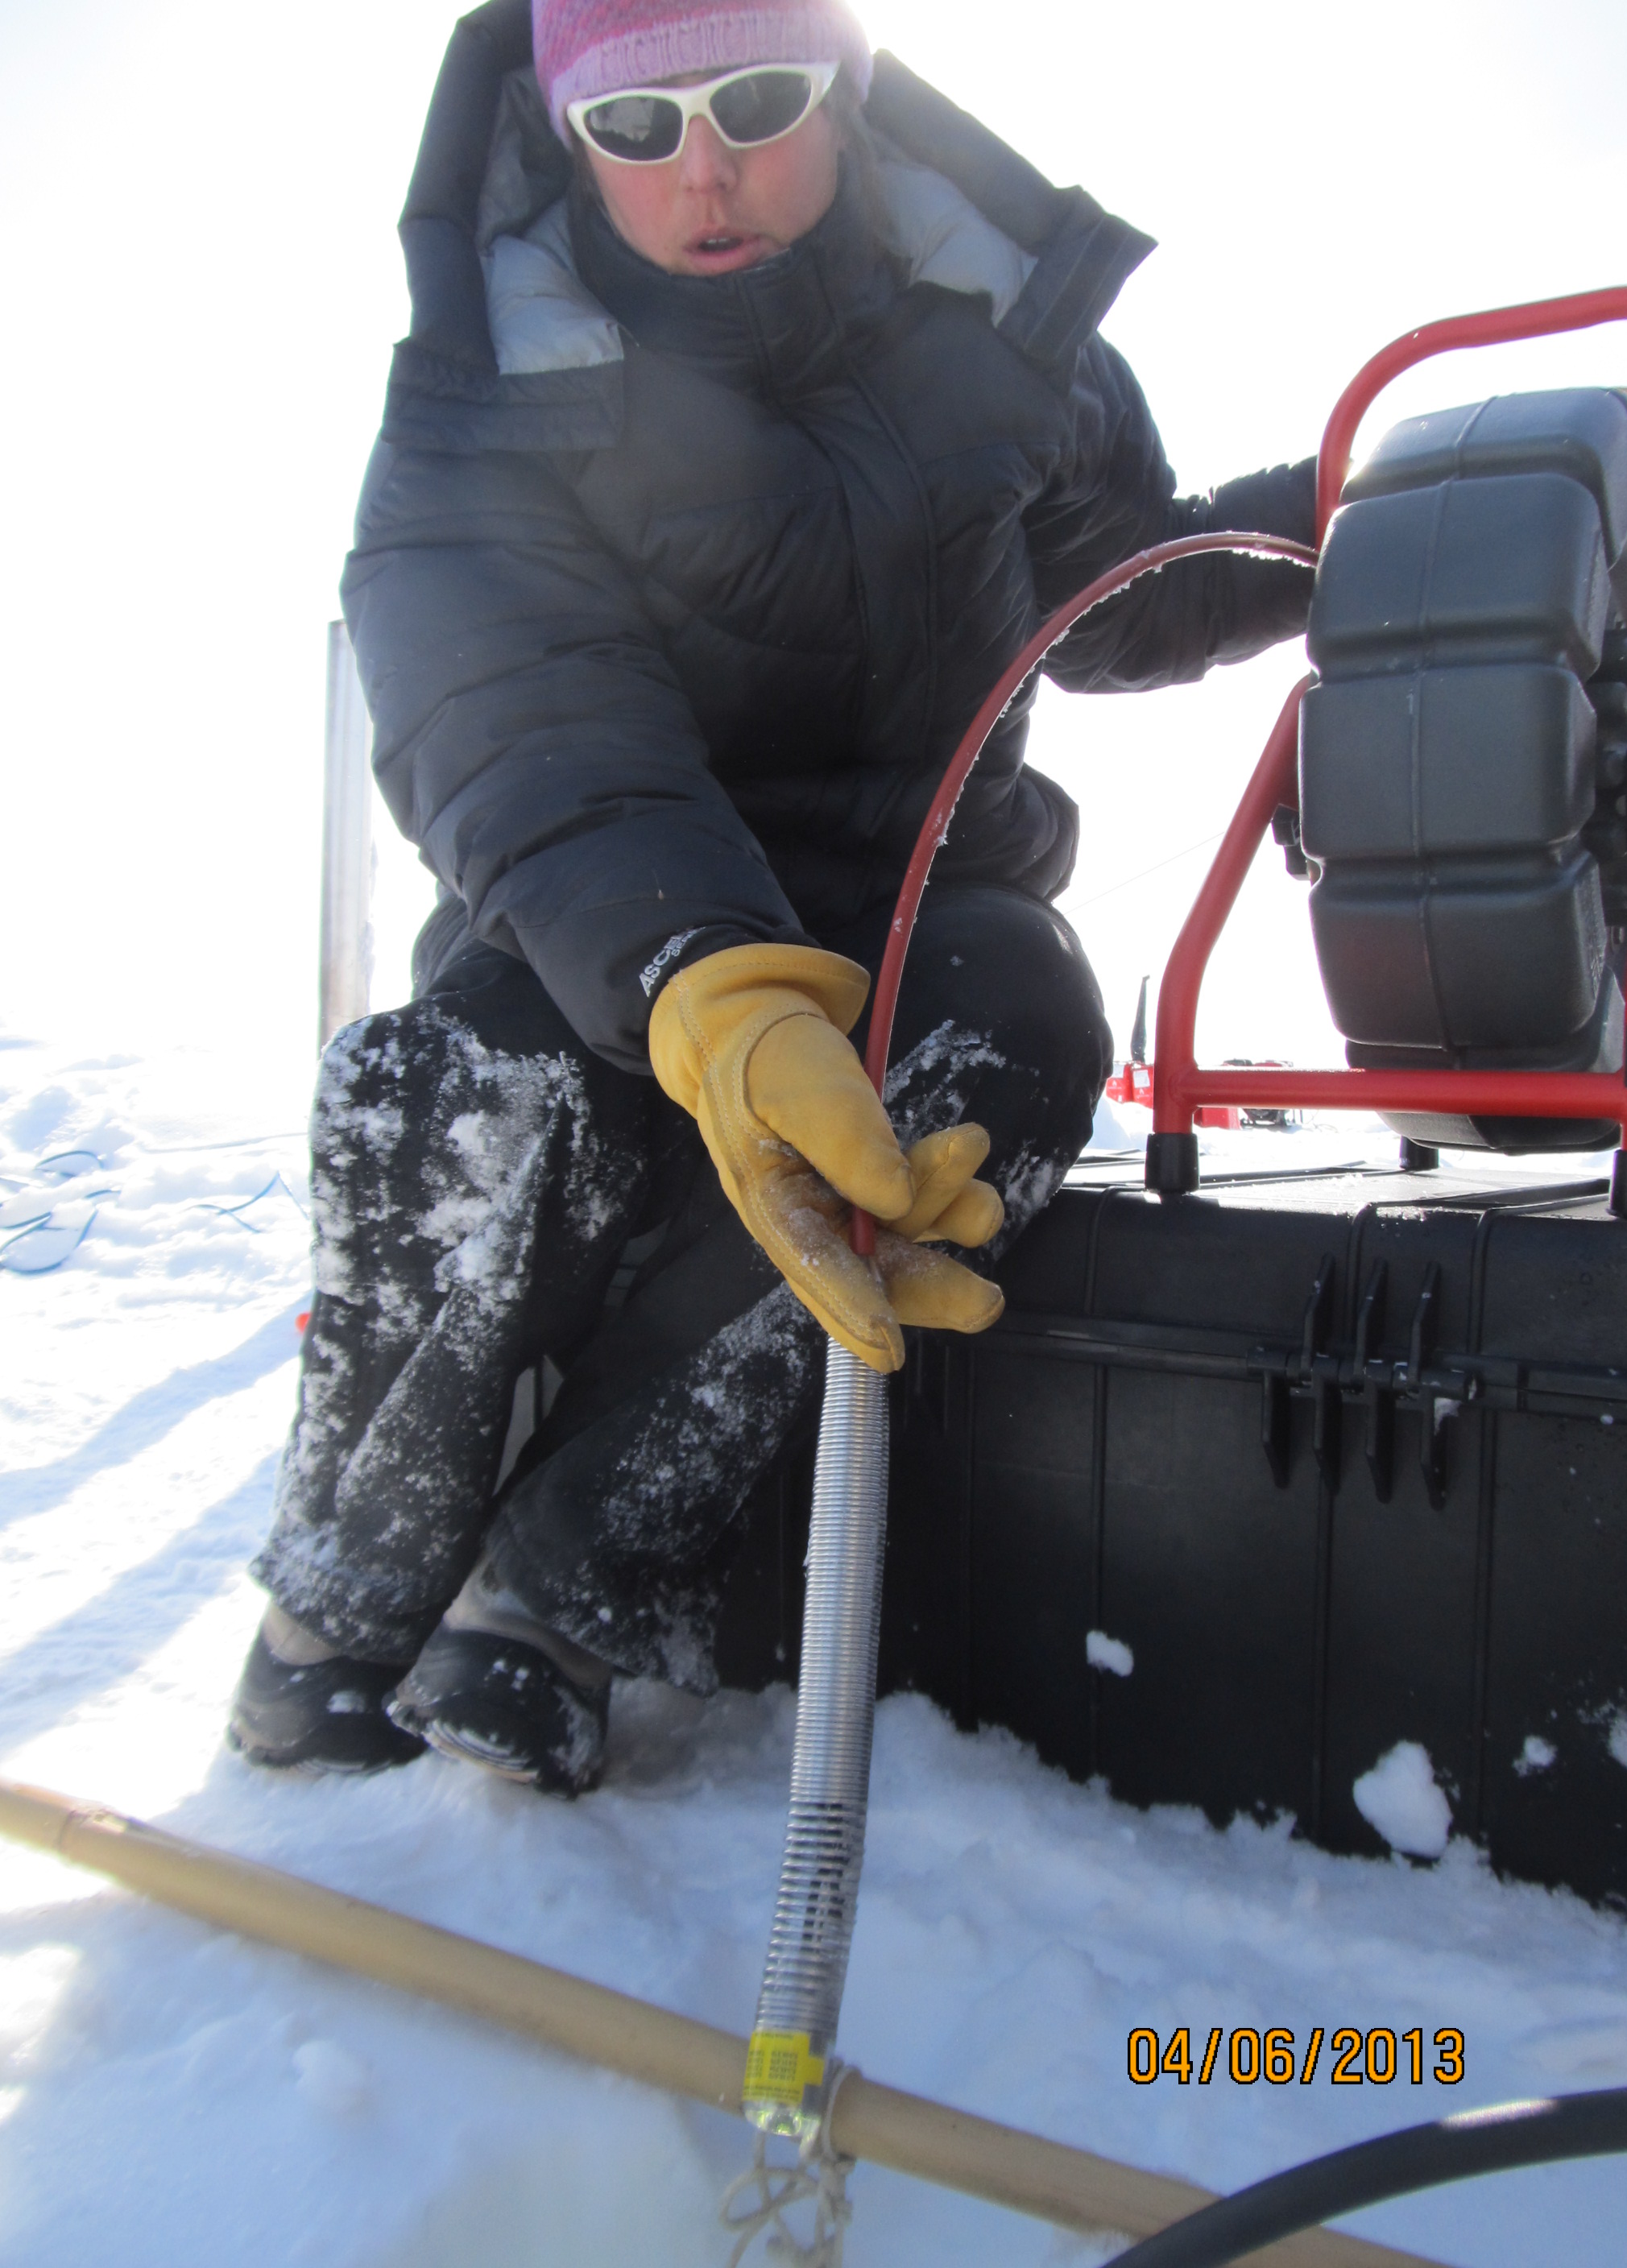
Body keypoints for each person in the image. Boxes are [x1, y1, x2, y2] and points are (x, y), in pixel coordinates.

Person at [229, 0, 1316, 1795]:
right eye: (636, 129)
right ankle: (344, 1595)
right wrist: (714, 988)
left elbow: (1117, 590)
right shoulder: (481, 387)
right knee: (488, 1078)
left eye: (756, 99)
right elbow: (519, 716)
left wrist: (1354, 517)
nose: (706, 170)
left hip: (914, 899)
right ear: (568, 130)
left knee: (998, 1049)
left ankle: (567, 1588)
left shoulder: (996, 323)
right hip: (616, 903)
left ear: (850, 80)